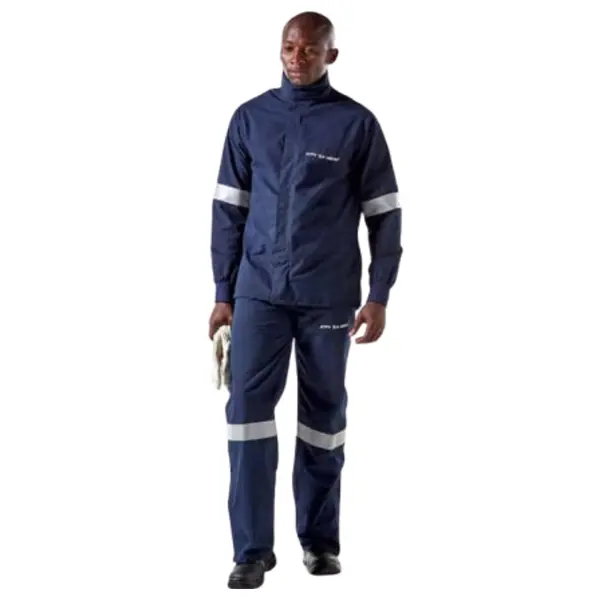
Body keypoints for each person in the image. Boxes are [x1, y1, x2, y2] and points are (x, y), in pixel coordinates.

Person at [208, 11, 403, 589]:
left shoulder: (356, 124)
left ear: (330, 56)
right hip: (258, 294)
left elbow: (385, 216)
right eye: (289, 47)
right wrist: (222, 293)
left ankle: (319, 543)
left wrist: (379, 294)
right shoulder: (250, 118)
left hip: (328, 296)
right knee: (246, 416)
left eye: (310, 49)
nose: (297, 58)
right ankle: (250, 551)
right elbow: (228, 211)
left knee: (323, 420)